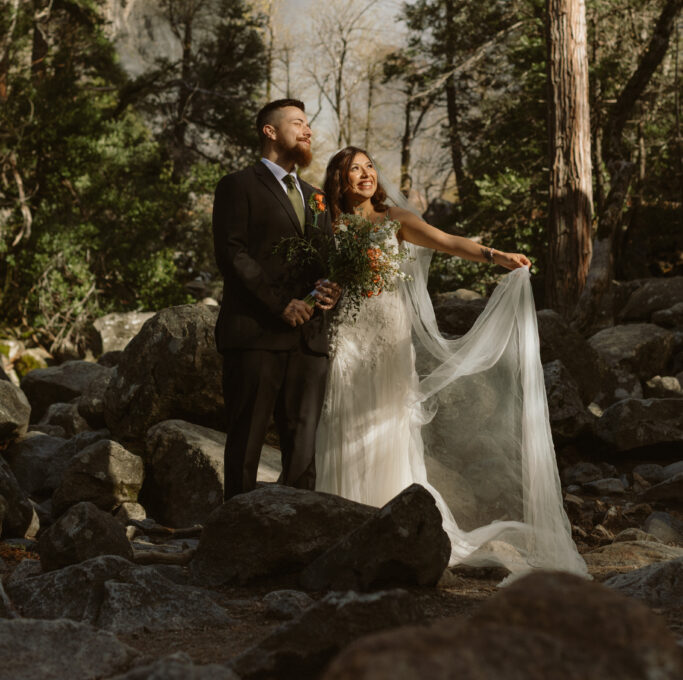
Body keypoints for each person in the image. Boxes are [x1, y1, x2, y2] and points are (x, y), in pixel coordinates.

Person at [315, 146, 587, 578]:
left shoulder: (395, 221)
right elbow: (315, 276)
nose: (365, 174)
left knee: (388, 426)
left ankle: (394, 525)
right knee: (343, 420)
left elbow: (446, 242)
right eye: (354, 169)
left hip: (388, 337)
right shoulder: (325, 224)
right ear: (339, 178)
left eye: (369, 167)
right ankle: (343, 522)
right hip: (347, 334)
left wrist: (496, 257)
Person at [212, 99, 340, 498]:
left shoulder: (316, 196)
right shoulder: (237, 185)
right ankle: (233, 536)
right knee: (246, 443)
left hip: (310, 340)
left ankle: (298, 538)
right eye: (298, 123)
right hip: (255, 335)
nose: (308, 131)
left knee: (303, 450)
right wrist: (280, 304)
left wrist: (332, 288)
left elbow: (326, 257)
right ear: (269, 131)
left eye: (308, 125)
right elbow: (233, 254)